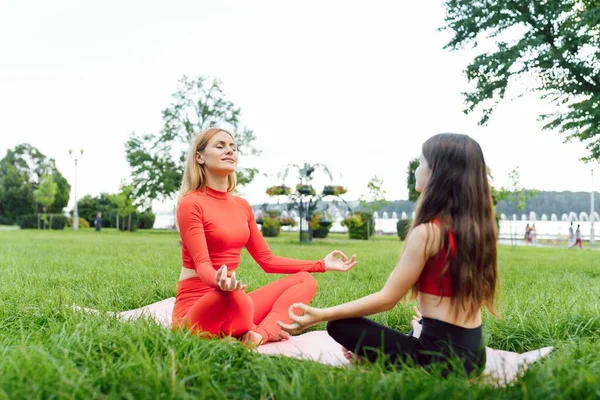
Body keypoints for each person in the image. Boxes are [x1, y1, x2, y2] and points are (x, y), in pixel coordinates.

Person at [278, 133, 498, 378]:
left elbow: (387, 299)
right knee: (421, 324)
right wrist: (423, 326)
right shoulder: (476, 232)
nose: (416, 170)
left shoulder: (428, 232)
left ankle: (384, 355)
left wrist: (321, 314)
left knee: (341, 325)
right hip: (473, 356)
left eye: (421, 163)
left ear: (437, 172)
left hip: (442, 362)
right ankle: (400, 344)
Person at [173, 128, 358, 347]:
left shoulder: (241, 206)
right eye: (220, 146)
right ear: (199, 157)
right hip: (197, 309)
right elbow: (202, 265)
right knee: (238, 299)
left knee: (304, 280)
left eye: (233, 147)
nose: (229, 151)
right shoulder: (190, 203)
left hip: (233, 297)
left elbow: (267, 260)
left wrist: (321, 264)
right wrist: (219, 281)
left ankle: (260, 334)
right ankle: (256, 327)